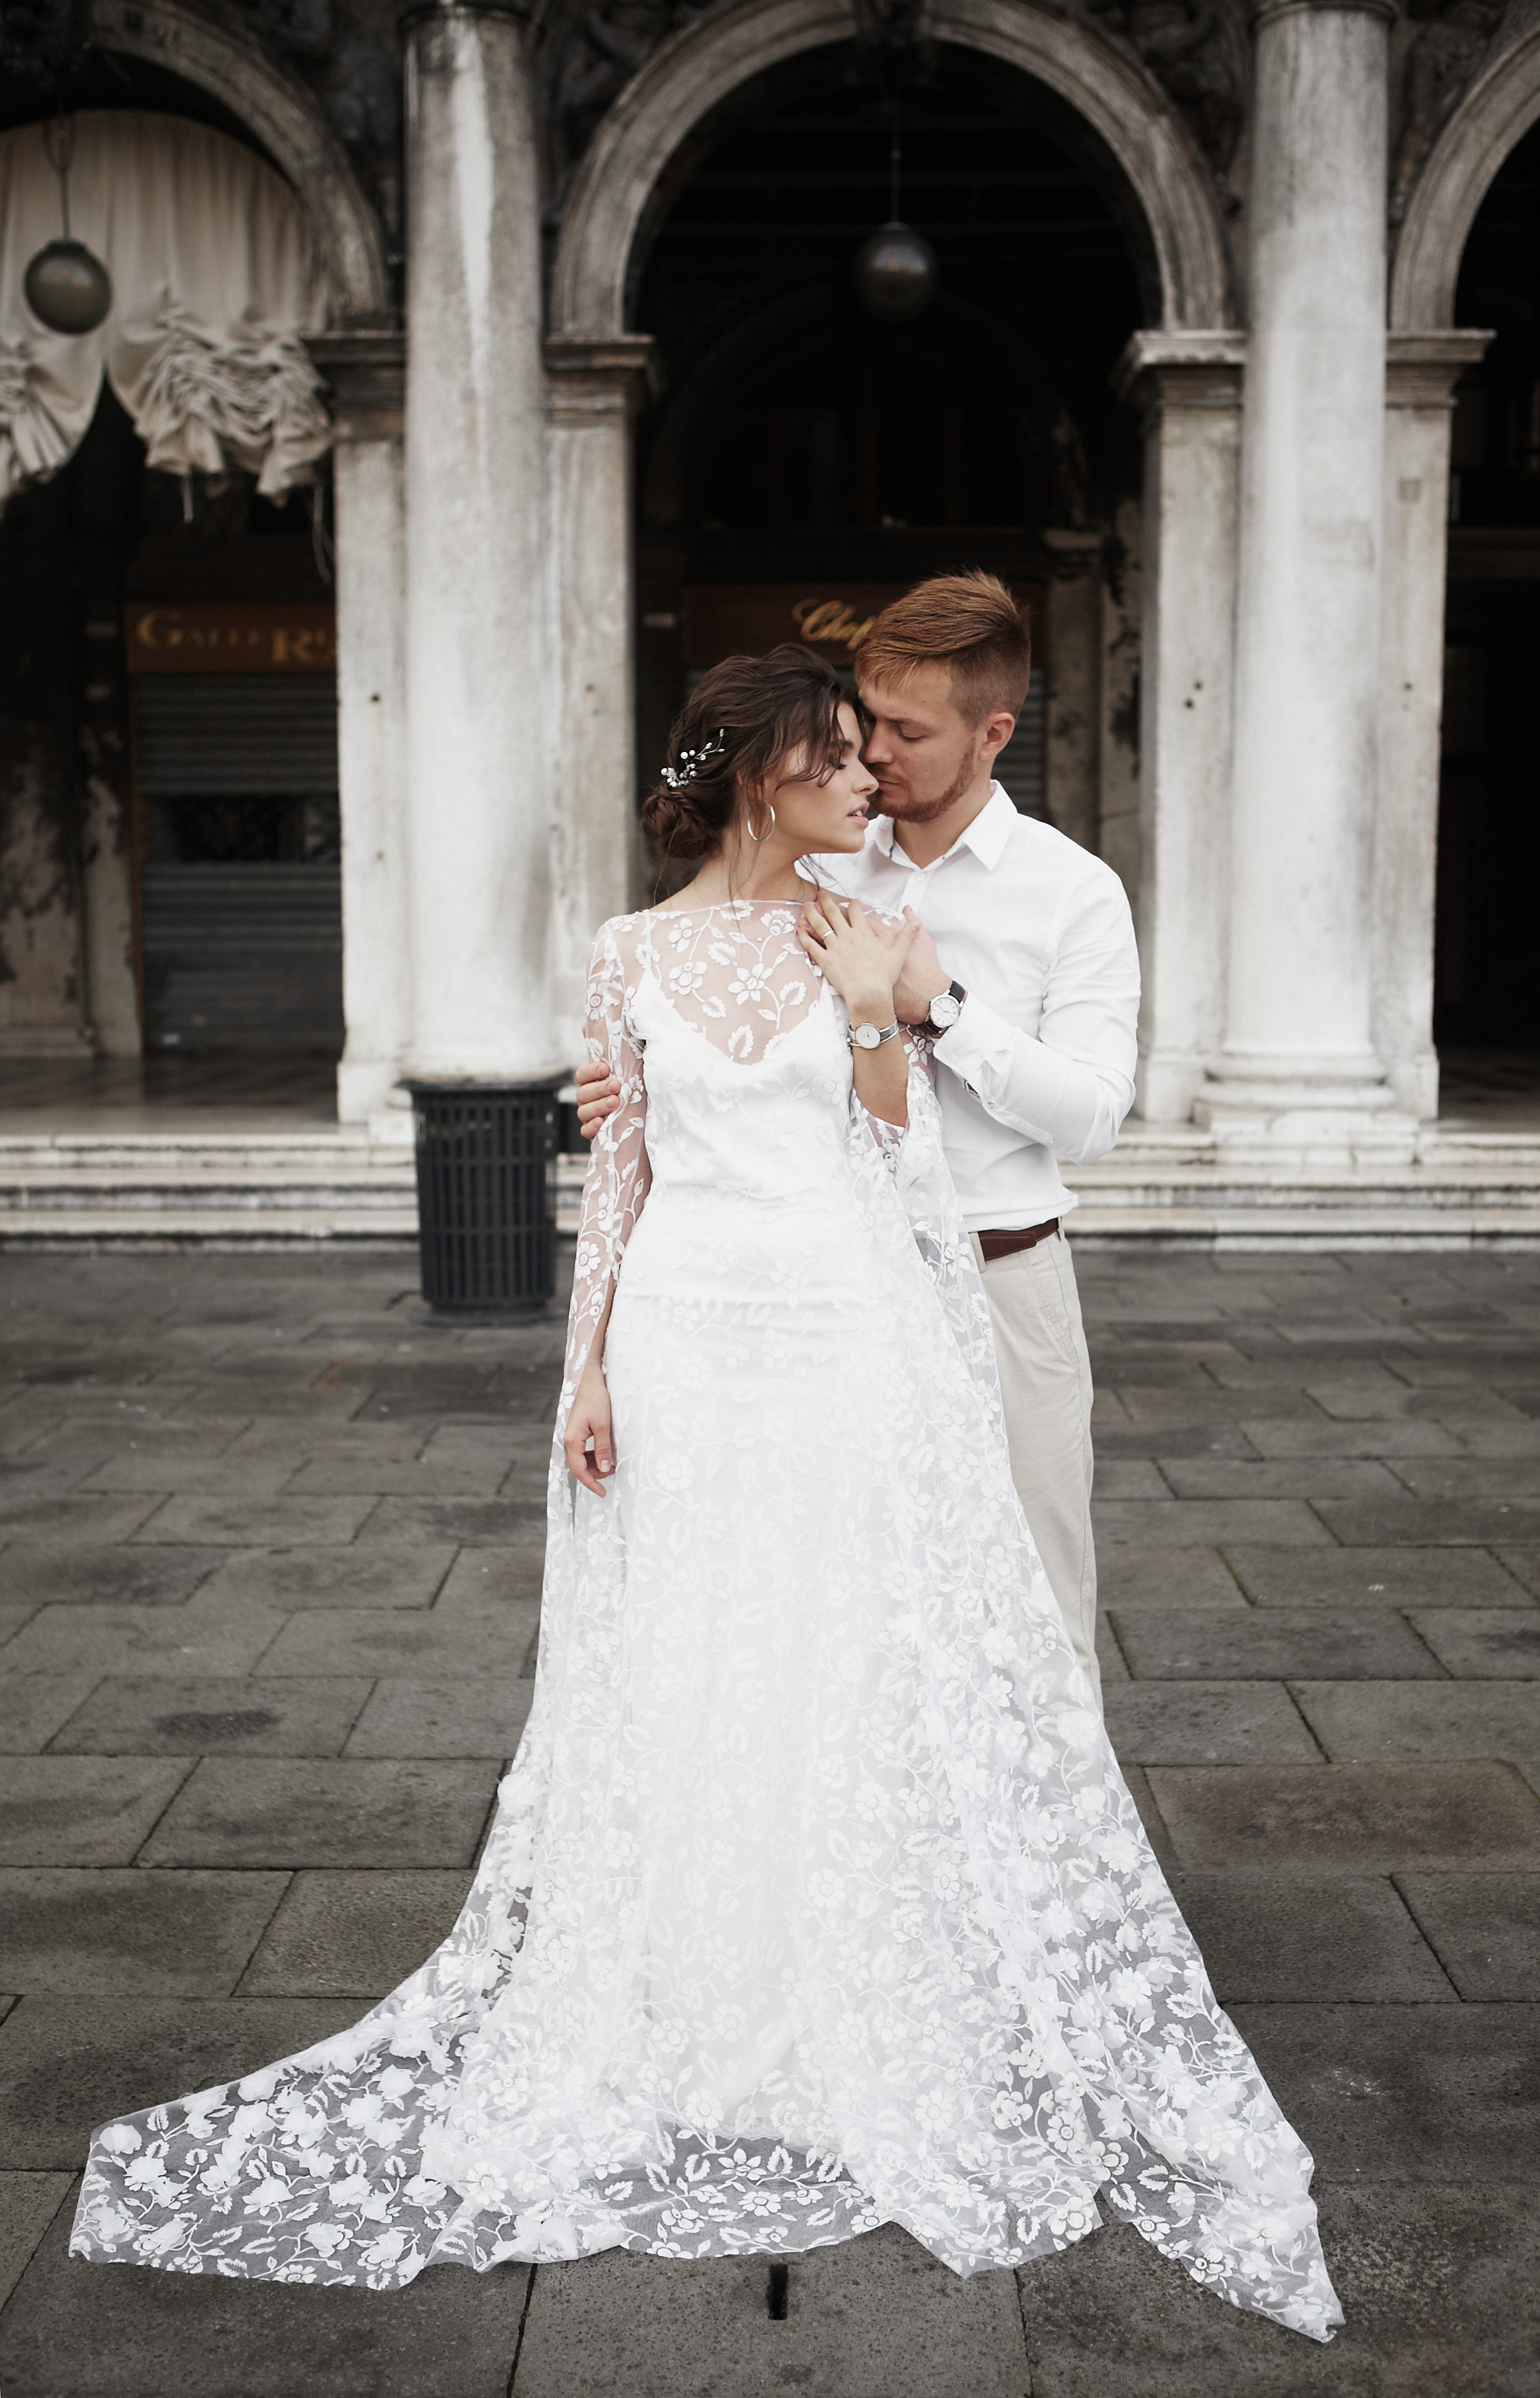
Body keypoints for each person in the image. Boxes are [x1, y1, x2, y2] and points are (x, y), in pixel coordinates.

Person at [71, 648, 1340, 2345]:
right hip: (679, 1333)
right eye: (836, 757)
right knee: (689, 1654)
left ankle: (838, 2007)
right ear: (759, 773)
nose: (867, 780)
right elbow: (622, 1169)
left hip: (833, 1326)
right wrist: (584, 1369)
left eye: (872, 755)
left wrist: (887, 1008)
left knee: (834, 1653)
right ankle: (685, 1993)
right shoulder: (627, 951)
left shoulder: (870, 925)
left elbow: (894, 1149)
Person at [577, 573, 1136, 1709]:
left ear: (994, 734)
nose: (873, 756)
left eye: (905, 731)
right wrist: (625, 1084)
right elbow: (708, 1006)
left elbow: (1093, 1116)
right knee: (861, 1624)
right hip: (831, 1301)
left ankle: (1039, 1878)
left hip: (997, 1272)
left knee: (1032, 1596)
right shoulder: (820, 859)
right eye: (865, 721)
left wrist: (945, 1007)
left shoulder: (1072, 892)